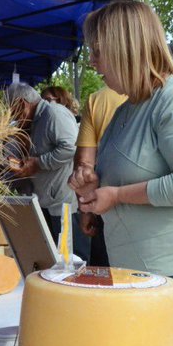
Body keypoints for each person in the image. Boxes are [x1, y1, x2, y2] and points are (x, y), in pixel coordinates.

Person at [69, 0, 173, 334]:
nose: (93, 61)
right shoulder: (129, 106)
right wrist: (91, 191)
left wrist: (116, 195)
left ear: (123, 48)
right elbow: (124, 175)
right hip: (140, 266)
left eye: (97, 51)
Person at [4, 82, 79, 246]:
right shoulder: (37, 120)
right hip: (48, 202)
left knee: (70, 258)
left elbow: (71, 148)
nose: (13, 119)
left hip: (63, 205)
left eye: (12, 112)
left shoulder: (54, 114)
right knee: (56, 259)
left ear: (22, 104)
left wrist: (38, 163)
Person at [74, 84, 129, 266]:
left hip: (102, 204)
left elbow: (83, 164)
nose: (92, 62)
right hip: (151, 211)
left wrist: (85, 209)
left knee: (104, 280)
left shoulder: (98, 99)